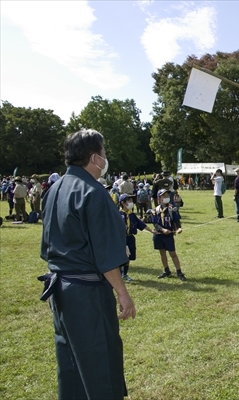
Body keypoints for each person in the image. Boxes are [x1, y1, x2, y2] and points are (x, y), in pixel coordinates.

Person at [39, 128, 135, 398]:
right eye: (104, 153)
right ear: (95, 158)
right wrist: (123, 293)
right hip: (86, 292)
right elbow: (105, 254)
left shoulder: (55, 189)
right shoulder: (92, 192)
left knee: (70, 361)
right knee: (99, 362)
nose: (106, 159)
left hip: (60, 290)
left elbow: (47, 245)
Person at [119, 193, 155, 282]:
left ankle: (125, 274)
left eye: (131, 200)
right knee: (120, 257)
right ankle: (118, 274)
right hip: (121, 239)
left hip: (130, 238)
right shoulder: (117, 214)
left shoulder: (132, 215)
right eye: (129, 201)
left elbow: (140, 224)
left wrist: (151, 231)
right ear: (123, 203)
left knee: (128, 257)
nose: (131, 202)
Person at [152, 189, 186, 280]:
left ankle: (179, 272)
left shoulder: (172, 209)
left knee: (173, 253)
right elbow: (155, 224)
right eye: (163, 196)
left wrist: (178, 228)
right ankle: (166, 270)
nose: (166, 197)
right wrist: (162, 230)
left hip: (168, 236)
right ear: (159, 199)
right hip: (158, 235)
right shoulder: (155, 210)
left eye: (167, 195)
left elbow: (176, 221)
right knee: (162, 253)